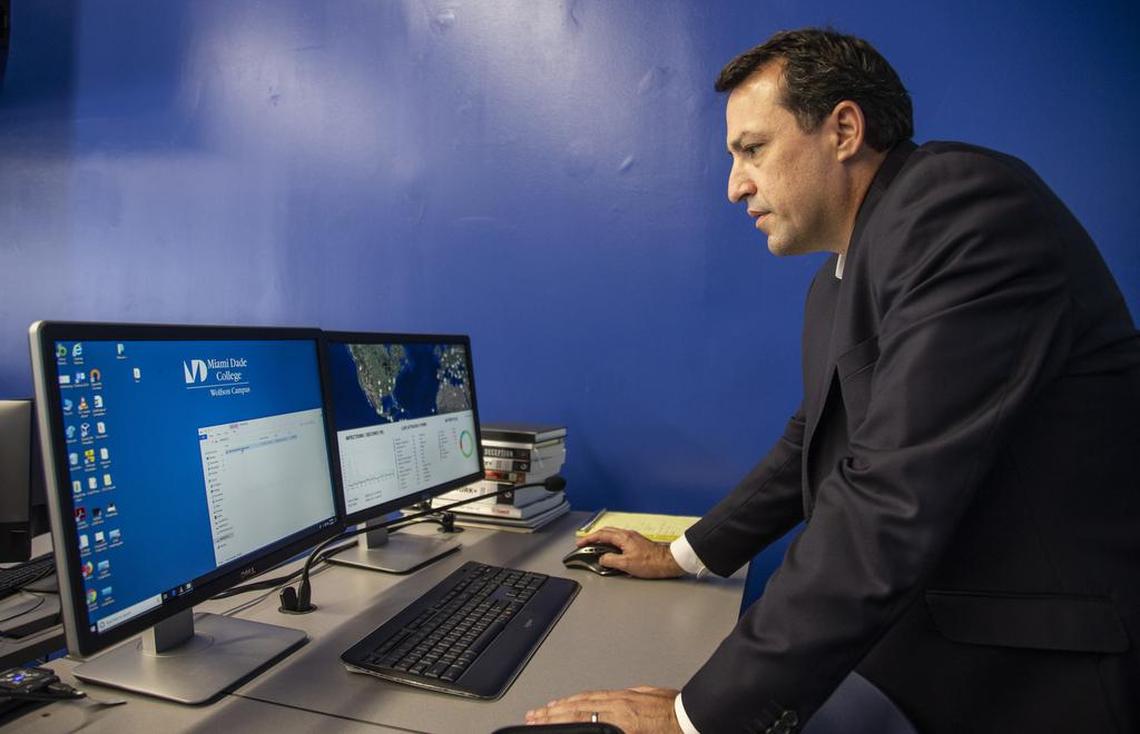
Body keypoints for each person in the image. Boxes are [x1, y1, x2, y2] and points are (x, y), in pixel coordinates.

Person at [525, 28, 1140, 734]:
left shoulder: (960, 209)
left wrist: (694, 718)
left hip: (1030, 675)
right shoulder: (839, 280)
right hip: (915, 647)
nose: (734, 185)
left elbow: (891, 495)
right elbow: (811, 440)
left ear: (844, 130)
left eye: (753, 149)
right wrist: (684, 554)